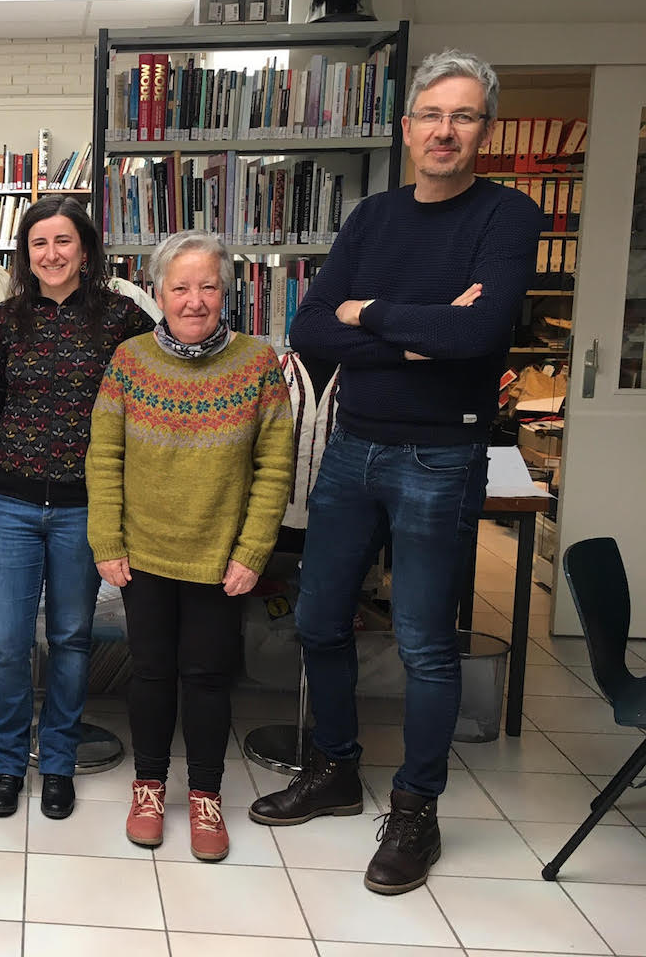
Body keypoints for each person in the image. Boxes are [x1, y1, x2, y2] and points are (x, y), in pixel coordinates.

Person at [248, 50, 545, 895]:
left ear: (484, 130)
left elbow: (478, 337)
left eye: (463, 116)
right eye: (430, 115)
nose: (444, 131)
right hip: (352, 445)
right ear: (407, 127)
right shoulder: (373, 218)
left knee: (422, 642)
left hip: (442, 453)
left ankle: (416, 809)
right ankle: (336, 771)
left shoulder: (508, 216)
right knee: (318, 620)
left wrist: (368, 312)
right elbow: (310, 331)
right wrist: (419, 331)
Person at [87, 231, 293, 860]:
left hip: (219, 558)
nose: (194, 300)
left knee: (205, 678)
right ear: (159, 293)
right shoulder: (130, 361)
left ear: (225, 293)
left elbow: (275, 466)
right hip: (143, 553)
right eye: (180, 287)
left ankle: (205, 794)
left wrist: (252, 551)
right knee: (149, 674)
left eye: (207, 286)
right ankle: (148, 786)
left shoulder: (259, 364)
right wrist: (107, 540)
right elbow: (105, 456)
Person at [0, 195, 155, 820]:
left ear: (85, 248)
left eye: (63, 242)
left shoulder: (123, 319)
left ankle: (56, 762)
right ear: (25, 256)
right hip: (11, 504)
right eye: (38, 245)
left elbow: (140, 415)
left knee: (71, 638)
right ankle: (6, 763)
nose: (50, 255)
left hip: (85, 508)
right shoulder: (7, 320)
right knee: (6, 642)